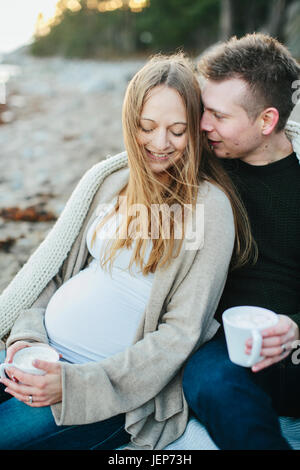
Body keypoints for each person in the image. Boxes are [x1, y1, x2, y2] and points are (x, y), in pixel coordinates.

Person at [0, 54, 253, 450]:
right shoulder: (113, 182)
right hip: (38, 356)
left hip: (100, 394)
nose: (160, 143)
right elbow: (55, 272)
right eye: (147, 127)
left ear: (197, 130)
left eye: (177, 130)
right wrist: (25, 337)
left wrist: (72, 385)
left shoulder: (210, 206)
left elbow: (180, 334)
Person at [183, 33, 300, 450]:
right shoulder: (205, 167)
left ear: (267, 121)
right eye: (202, 110)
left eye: (218, 115)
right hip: (226, 347)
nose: (202, 125)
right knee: (208, 378)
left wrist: (296, 329)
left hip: (293, 338)